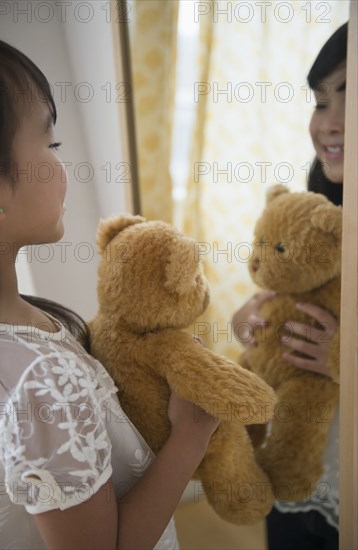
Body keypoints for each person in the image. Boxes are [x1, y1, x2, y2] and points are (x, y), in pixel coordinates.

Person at [0, 37, 220, 550]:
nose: (60, 163)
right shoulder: (44, 380)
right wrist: (192, 433)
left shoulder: (35, 328)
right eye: (50, 145)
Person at [232, 22, 347, 550]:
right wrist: (248, 323)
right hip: (295, 462)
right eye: (320, 102)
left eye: (349, 97)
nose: (330, 123)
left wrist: (343, 356)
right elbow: (283, 294)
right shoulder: (317, 204)